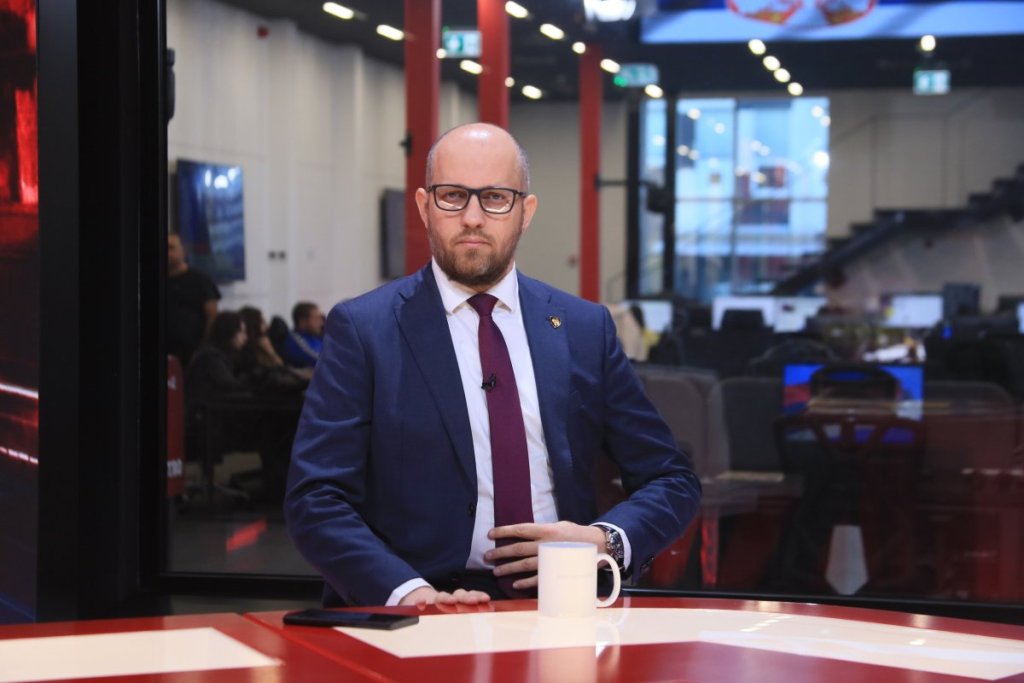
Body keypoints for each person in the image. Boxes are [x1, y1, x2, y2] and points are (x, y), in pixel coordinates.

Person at [284, 123, 701, 608]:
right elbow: (315, 498)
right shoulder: (363, 330)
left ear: (526, 212)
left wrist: (604, 540)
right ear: (424, 206)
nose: (473, 218)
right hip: (416, 608)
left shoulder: (586, 329)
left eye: (496, 198)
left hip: (564, 603)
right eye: (453, 196)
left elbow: (671, 479)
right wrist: (408, 595)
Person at [167, 233, 220, 367]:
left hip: (193, 351)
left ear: (183, 251)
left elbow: (212, 316)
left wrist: (203, 348)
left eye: (171, 248)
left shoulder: (200, 280)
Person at [282, 302, 324, 368]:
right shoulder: (295, 340)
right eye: (316, 319)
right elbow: (319, 360)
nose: (321, 323)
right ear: (302, 321)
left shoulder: (315, 337)